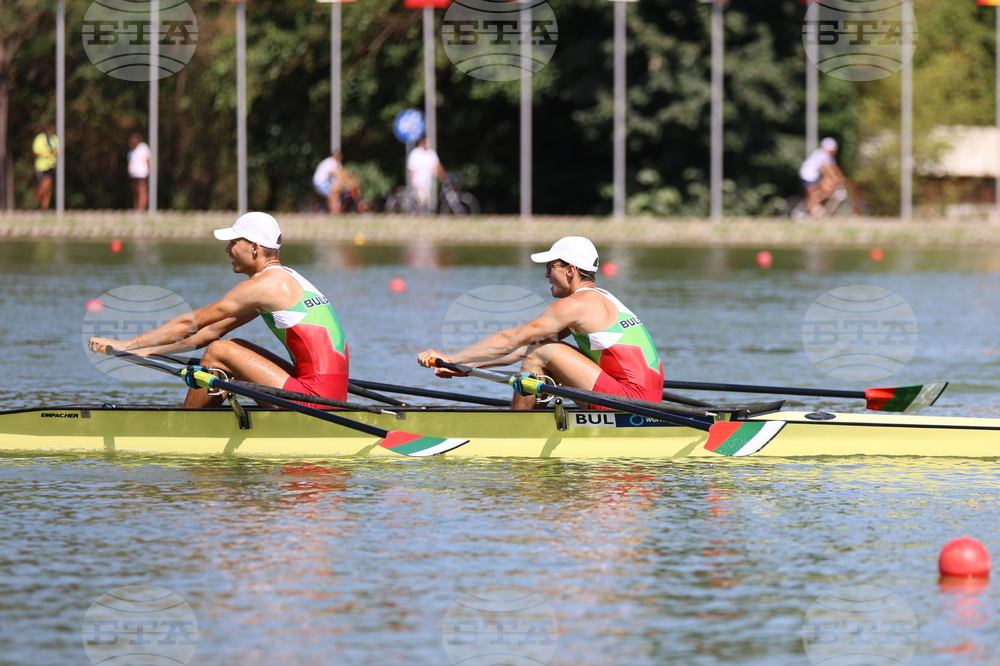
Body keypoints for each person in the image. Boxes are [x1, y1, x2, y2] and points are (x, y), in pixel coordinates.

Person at [88, 212, 350, 409]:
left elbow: (190, 324)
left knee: (219, 352)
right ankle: (204, 429)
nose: (227, 249)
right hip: (332, 396)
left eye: (233, 242)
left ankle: (187, 432)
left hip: (315, 399)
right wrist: (145, 351)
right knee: (230, 346)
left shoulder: (264, 285)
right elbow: (210, 331)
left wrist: (126, 343)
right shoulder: (288, 280)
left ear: (255, 248)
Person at [417, 237, 664, 410]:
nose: (546, 274)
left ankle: (521, 429)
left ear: (571, 270)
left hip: (632, 402)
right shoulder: (602, 298)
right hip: (646, 399)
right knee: (542, 348)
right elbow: (520, 349)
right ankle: (538, 416)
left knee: (542, 351)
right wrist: (464, 366)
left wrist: (452, 358)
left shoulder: (577, 304)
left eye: (550, 266)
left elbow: (510, 339)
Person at [799, 137, 846, 219]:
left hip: (812, 176)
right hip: (808, 176)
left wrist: (840, 178)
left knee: (821, 191)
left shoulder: (826, 155)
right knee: (814, 196)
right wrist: (837, 180)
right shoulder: (823, 155)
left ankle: (816, 211)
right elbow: (827, 170)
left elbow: (834, 169)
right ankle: (814, 215)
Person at [406, 136, 446, 213]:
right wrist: (412, 180)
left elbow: (436, 166)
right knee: (421, 201)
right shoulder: (415, 153)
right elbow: (412, 169)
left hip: (427, 183)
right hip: (418, 182)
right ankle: (420, 215)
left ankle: (423, 215)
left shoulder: (430, 153)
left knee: (426, 201)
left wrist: (442, 176)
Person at [32, 124, 59, 211]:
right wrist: (47, 155)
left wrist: (55, 154)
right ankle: (36, 203)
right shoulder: (40, 139)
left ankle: (45, 207)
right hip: (42, 166)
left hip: (52, 165)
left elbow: (57, 150)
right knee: (45, 184)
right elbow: (36, 152)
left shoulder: (55, 139)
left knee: (48, 187)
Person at [127, 133, 152, 210]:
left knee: (141, 191)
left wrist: (150, 170)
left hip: (141, 174)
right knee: (135, 192)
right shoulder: (131, 151)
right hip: (133, 175)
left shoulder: (143, 148)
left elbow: (148, 159)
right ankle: (137, 207)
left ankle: (142, 207)